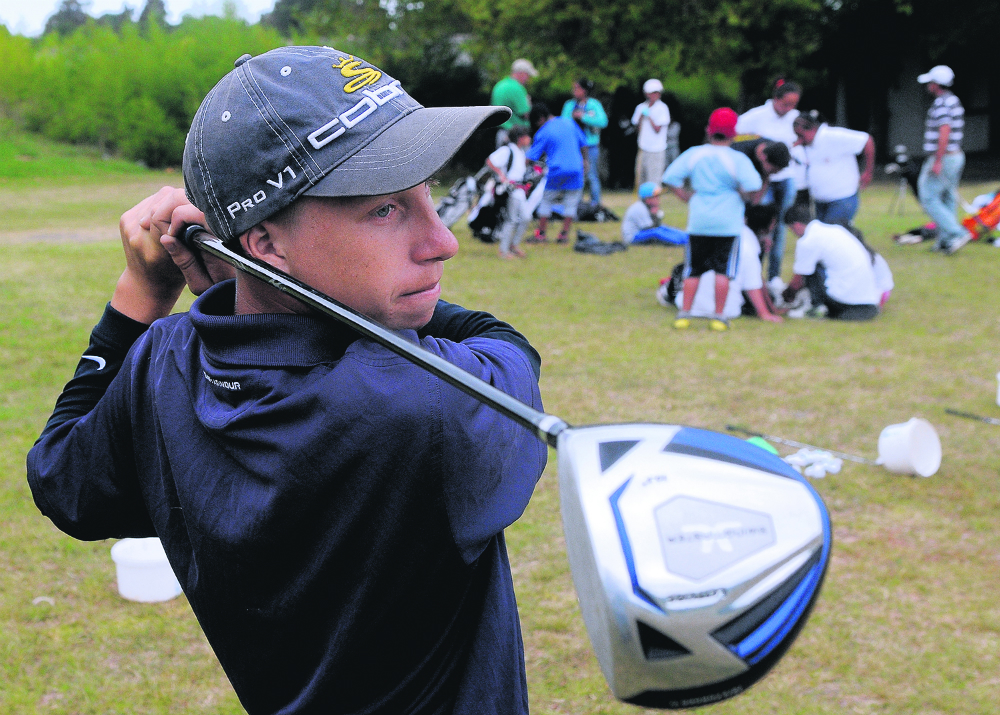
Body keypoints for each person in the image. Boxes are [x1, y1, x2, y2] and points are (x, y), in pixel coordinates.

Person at [26, 46, 548, 715]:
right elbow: (506, 347)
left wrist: (140, 292)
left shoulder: (164, 360)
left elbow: (62, 479)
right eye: (386, 209)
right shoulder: (426, 400)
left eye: (426, 193)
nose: (440, 240)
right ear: (266, 244)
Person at [662, 107, 763, 331]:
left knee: (693, 269)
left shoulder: (694, 153)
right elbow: (754, 185)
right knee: (723, 271)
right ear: (733, 134)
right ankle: (719, 317)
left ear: (709, 130)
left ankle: (684, 314)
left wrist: (685, 196)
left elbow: (670, 177)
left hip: (699, 220)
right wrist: (740, 193)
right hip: (728, 223)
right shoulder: (737, 158)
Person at [659, 204, 782, 323]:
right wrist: (764, 313)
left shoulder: (712, 232)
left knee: (680, 270)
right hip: (727, 310)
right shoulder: (747, 246)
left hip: (687, 305)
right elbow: (753, 285)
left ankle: (670, 295)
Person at [736, 78, 802, 283]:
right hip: (763, 179)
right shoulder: (756, 116)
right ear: (775, 99)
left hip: (786, 177)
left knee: (780, 227)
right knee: (760, 225)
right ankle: (753, 274)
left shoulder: (796, 118)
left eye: (793, 105)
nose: (789, 108)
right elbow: (736, 135)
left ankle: (774, 277)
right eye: (785, 104)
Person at [781, 203, 881, 320]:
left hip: (844, 299)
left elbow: (799, 279)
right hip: (868, 298)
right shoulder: (835, 230)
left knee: (810, 270)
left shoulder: (808, 240)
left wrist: (787, 295)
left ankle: (816, 307)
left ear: (796, 225)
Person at [916, 65, 972, 254]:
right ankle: (945, 241)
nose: (927, 86)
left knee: (929, 197)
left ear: (936, 84)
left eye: (930, 82)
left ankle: (956, 233)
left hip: (945, 157)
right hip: (955, 156)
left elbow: (944, 130)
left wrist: (938, 160)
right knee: (947, 197)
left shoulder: (942, 104)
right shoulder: (953, 100)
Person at [793, 109, 875, 226]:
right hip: (820, 201)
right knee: (823, 237)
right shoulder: (806, 145)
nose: (799, 140)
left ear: (813, 129)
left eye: (801, 135)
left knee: (835, 236)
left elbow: (867, 140)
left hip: (841, 199)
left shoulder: (832, 135)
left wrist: (868, 171)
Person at [526, 102, 588, 244]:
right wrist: (585, 161)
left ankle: (541, 234)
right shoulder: (569, 122)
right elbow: (584, 144)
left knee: (547, 200)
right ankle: (563, 235)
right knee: (571, 202)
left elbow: (531, 157)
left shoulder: (544, 131)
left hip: (556, 170)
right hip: (576, 169)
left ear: (540, 118)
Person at [486, 125, 534, 259]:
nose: (529, 139)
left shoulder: (521, 151)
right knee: (511, 220)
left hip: (520, 191)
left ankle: (514, 245)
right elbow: (490, 161)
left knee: (526, 217)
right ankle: (503, 250)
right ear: (520, 138)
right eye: (526, 136)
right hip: (511, 190)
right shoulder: (507, 150)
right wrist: (501, 175)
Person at [561, 78, 608, 208]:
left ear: (585, 90)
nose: (574, 91)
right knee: (576, 174)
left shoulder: (593, 104)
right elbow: (563, 123)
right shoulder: (569, 105)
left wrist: (583, 117)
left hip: (590, 145)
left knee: (592, 174)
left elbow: (603, 122)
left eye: (577, 88)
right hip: (574, 146)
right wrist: (573, 117)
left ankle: (596, 204)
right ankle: (576, 203)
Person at [630, 79, 671, 187]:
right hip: (643, 147)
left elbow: (657, 129)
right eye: (652, 92)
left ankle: (654, 203)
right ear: (647, 93)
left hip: (657, 149)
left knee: (654, 180)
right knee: (641, 179)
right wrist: (641, 116)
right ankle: (642, 203)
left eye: (657, 92)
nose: (655, 95)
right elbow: (637, 128)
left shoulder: (663, 108)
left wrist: (649, 116)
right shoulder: (640, 107)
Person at [491, 57, 538, 148]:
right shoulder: (517, 88)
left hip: (501, 134)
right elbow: (526, 113)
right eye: (527, 75)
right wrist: (529, 104)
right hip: (517, 137)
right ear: (521, 73)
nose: (528, 79)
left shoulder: (499, 86)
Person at [730, 135, 791, 204]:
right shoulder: (739, 154)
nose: (775, 173)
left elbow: (766, 177)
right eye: (773, 170)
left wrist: (754, 205)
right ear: (763, 157)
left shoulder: (772, 148)